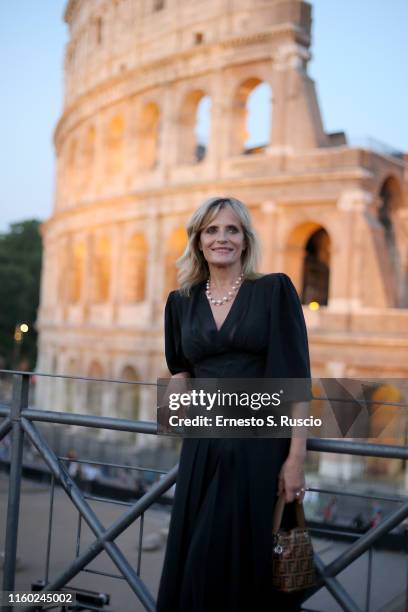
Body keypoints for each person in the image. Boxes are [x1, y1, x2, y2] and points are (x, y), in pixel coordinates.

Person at [156, 196, 312, 612]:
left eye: (232, 230)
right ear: (198, 241)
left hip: (257, 449)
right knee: (196, 561)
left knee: (240, 565)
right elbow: (180, 365)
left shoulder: (274, 289)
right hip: (202, 449)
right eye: (212, 230)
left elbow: (296, 383)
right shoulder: (180, 302)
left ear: (245, 241)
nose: (221, 238)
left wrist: (296, 459)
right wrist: (177, 383)